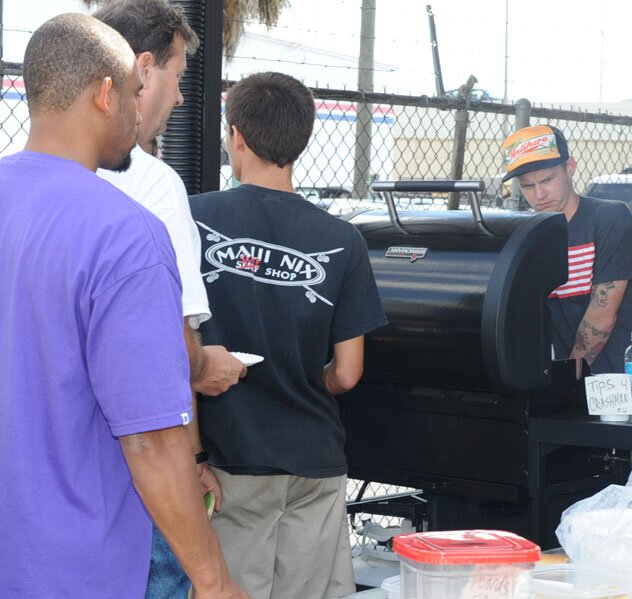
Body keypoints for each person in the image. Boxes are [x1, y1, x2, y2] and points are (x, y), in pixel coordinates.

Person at [0, 13, 247, 598]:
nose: (143, 112)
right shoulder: (125, 235)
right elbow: (152, 440)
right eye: (138, 94)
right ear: (106, 95)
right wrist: (213, 581)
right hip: (75, 571)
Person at [190, 72, 388, 599]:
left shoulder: (193, 218)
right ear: (301, 139)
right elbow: (348, 373)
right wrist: (301, 380)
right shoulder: (343, 239)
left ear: (236, 134)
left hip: (231, 460)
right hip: (316, 461)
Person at [93, 2, 247, 596]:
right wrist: (193, 453)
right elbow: (172, 343)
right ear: (145, 69)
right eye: (181, 76)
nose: (182, 98)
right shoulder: (156, 185)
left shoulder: (24, 182)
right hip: (146, 471)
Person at [500, 125, 632, 406]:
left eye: (547, 179)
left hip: (629, 385)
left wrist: (566, 386)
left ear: (570, 167)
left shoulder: (610, 218)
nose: (539, 193)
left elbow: (602, 314)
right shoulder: (529, 234)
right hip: (575, 388)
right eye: (527, 185)